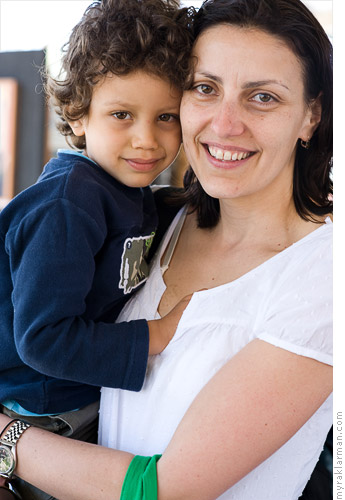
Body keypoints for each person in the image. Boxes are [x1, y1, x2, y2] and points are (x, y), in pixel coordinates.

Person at [0, 0, 333, 498]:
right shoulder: (157, 217)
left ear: (311, 116)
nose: (224, 124)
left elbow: (165, 488)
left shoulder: (324, 273)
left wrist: (5, 440)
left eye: (263, 97)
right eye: (204, 88)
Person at [0, 0, 192, 493]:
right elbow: (44, 339)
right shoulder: (69, 203)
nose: (147, 140)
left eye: (166, 116)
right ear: (79, 116)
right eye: (122, 114)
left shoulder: (127, 192)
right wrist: (158, 335)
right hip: (43, 408)